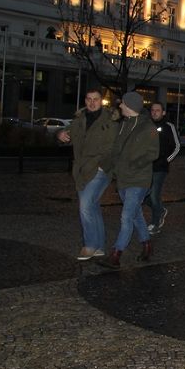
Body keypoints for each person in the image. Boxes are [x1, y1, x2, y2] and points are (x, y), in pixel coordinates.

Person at [97, 92, 159, 269]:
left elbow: (153, 153)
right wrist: (105, 166)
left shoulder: (148, 127)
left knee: (126, 217)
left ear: (130, 105)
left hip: (139, 180)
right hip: (123, 179)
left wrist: (133, 164)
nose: (120, 106)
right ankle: (147, 244)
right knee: (135, 215)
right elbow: (116, 151)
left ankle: (116, 254)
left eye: (123, 104)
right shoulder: (124, 125)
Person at [57, 88, 118, 260]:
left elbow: (112, 147)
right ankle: (99, 246)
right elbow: (65, 134)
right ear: (85, 100)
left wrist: (101, 166)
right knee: (92, 206)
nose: (92, 102)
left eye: (96, 99)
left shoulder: (109, 120)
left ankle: (89, 245)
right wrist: (60, 134)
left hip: (99, 169)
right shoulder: (79, 119)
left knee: (85, 206)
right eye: (89, 99)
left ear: (101, 101)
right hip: (82, 170)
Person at [145, 102, 180, 235]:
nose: (154, 112)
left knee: (154, 195)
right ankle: (160, 210)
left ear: (163, 112)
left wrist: (166, 160)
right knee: (143, 195)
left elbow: (177, 146)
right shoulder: (147, 126)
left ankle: (155, 223)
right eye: (153, 110)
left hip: (160, 168)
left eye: (157, 110)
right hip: (146, 167)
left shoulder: (168, 126)